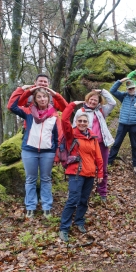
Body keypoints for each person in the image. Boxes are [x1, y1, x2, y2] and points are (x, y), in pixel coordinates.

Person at [9, 87, 66, 219]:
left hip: (48, 152)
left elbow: (57, 136)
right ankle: (30, 207)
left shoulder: (54, 114)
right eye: (39, 97)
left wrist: (57, 153)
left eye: (44, 96)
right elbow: (11, 106)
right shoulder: (28, 112)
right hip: (29, 151)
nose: (42, 99)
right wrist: (23, 90)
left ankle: (47, 207)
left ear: (48, 99)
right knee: (30, 179)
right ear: (34, 99)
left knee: (46, 179)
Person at [58, 101, 103, 242]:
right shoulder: (71, 134)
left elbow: (98, 157)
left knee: (84, 200)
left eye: (85, 121)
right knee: (73, 200)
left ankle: (79, 221)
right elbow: (64, 119)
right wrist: (72, 105)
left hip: (89, 174)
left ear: (88, 123)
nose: (83, 123)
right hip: (76, 173)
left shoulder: (93, 137)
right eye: (80, 121)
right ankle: (64, 228)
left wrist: (100, 173)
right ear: (76, 122)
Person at [73, 89, 116, 202]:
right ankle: (84, 191)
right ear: (87, 99)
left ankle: (102, 192)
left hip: (102, 144)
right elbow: (74, 128)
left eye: (95, 100)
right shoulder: (81, 111)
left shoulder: (101, 110)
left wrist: (102, 91)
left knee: (104, 169)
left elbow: (113, 103)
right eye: (91, 99)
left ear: (98, 102)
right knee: (88, 169)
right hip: (87, 145)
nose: (93, 102)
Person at [108, 78, 136, 173]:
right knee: (117, 143)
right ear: (127, 89)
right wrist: (121, 81)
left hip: (134, 125)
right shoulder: (123, 96)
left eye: (132, 88)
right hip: (123, 124)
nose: (131, 90)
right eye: (129, 89)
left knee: (134, 145)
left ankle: (135, 165)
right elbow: (112, 90)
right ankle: (109, 162)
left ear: (135, 87)